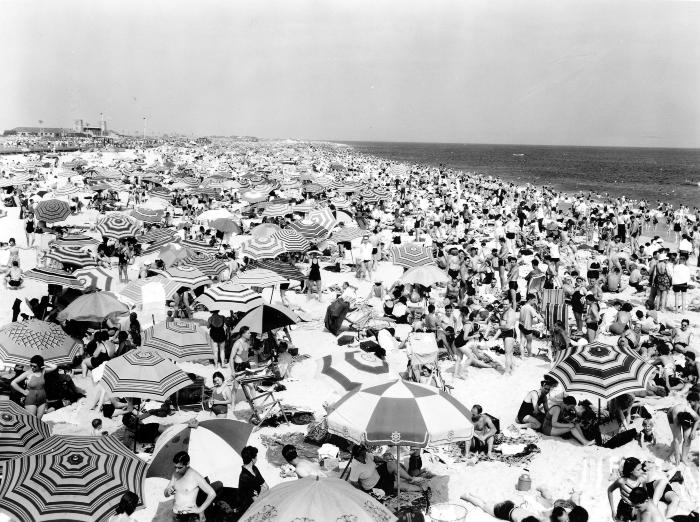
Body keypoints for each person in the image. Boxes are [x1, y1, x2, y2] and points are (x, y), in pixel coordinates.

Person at [607, 457, 680, 521]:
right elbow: (609, 490)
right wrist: (613, 510)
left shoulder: (642, 480)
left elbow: (645, 493)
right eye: (638, 470)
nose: (641, 471)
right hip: (624, 507)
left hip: (636, 508)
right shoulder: (621, 481)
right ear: (631, 471)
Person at [164, 451, 217, 522]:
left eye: (179, 467)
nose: (176, 470)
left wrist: (200, 509)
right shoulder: (175, 475)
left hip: (189, 516)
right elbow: (166, 493)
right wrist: (168, 492)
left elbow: (212, 494)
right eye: (175, 467)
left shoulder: (195, 476)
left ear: (187, 464)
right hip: (176, 515)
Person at [11, 355, 57, 420]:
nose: (32, 367)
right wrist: (23, 391)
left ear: (40, 366)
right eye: (31, 365)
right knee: (32, 420)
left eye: (35, 366)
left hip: (42, 399)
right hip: (31, 399)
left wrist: (43, 363)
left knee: (39, 420)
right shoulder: (28, 373)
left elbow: (55, 367)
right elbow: (13, 383)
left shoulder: (43, 371)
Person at [460, 491, 541, 522]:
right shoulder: (519, 521)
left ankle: (472, 494)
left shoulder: (535, 516)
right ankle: (467, 497)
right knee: (482, 506)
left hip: (511, 504)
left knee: (487, 503)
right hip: (503, 511)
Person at [667, 392, 700, 465]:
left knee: (688, 437)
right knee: (679, 438)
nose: (684, 428)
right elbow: (676, 439)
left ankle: (684, 458)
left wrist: (693, 431)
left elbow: (698, 419)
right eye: (684, 426)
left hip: (685, 416)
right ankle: (670, 454)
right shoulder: (675, 418)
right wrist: (677, 454)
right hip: (671, 414)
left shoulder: (690, 412)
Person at [238, 446, 268, 513]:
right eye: (256, 457)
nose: (257, 459)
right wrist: (262, 490)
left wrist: (261, 491)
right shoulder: (244, 477)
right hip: (250, 507)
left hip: (259, 499)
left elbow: (266, 486)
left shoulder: (254, 468)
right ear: (252, 459)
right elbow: (255, 501)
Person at [519, 293, 543, 358]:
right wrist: (545, 322)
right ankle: (529, 355)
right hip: (527, 327)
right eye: (534, 300)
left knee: (522, 342)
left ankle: (522, 356)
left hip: (521, 325)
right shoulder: (530, 308)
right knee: (529, 342)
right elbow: (538, 317)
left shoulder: (522, 307)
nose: (534, 302)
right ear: (530, 300)